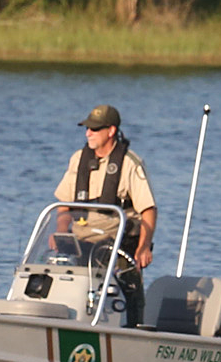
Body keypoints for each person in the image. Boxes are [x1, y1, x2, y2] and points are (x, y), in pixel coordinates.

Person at [54, 103, 157, 325]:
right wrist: (61, 232)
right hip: (82, 241)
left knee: (128, 285)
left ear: (111, 131)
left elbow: (148, 210)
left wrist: (144, 247)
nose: (87, 133)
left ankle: (133, 327)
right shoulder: (78, 160)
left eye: (94, 129)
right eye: (87, 128)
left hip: (117, 244)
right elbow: (64, 207)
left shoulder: (130, 164)